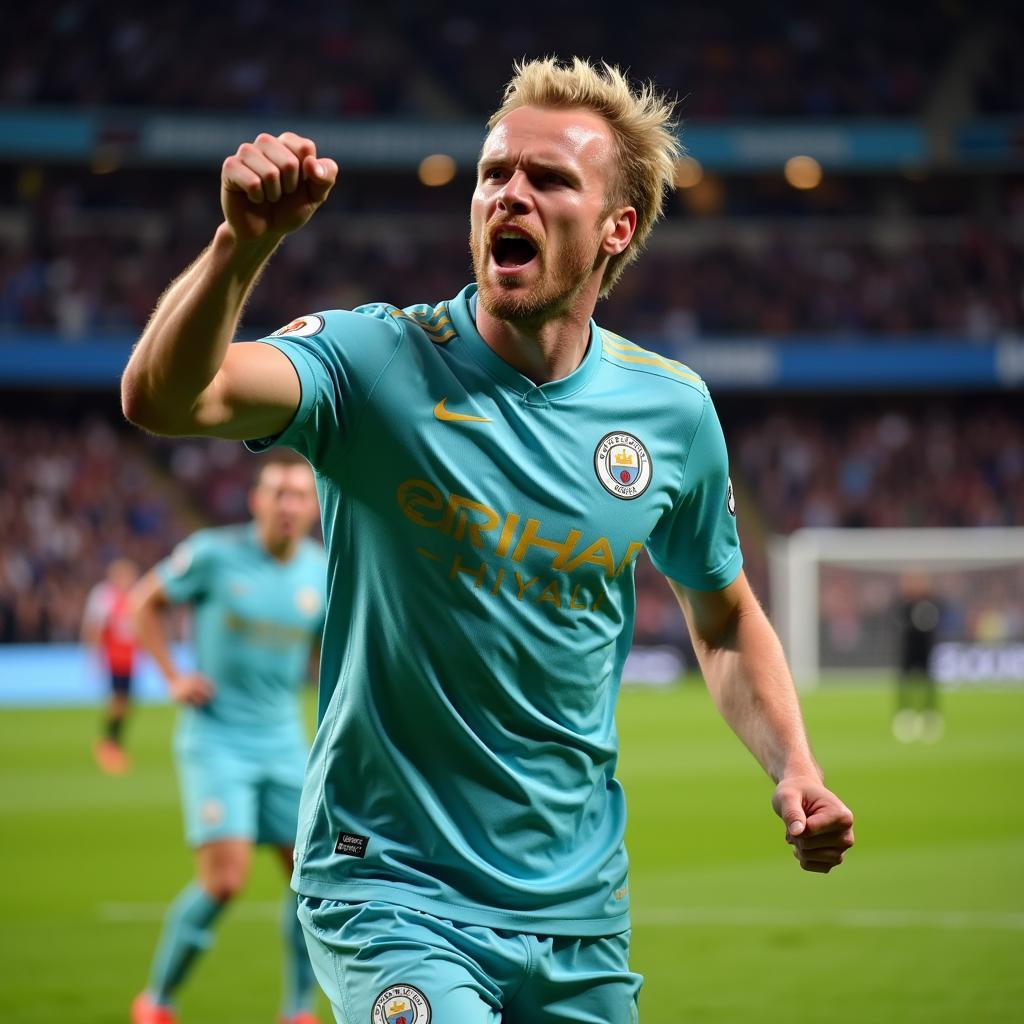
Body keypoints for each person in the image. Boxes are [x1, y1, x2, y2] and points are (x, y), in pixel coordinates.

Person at [122, 57, 855, 1024]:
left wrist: (795, 767)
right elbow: (169, 397)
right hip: (391, 891)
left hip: (579, 912)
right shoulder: (373, 361)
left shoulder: (672, 415)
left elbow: (720, 619)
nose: (510, 193)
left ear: (614, 230)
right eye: (495, 172)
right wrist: (238, 248)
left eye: (550, 180)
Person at [129, 452, 327, 1024]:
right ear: (256, 501)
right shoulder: (215, 556)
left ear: (313, 508)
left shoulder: (319, 571)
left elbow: (330, 653)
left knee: (307, 880)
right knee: (225, 881)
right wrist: (172, 675)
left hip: (284, 744)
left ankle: (297, 1010)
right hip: (218, 742)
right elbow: (145, 603)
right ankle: (157, 1001)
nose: (289, 506)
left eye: (299, 496)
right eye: (278, 495)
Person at [81, 557, 140, 774]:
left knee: (126, 704)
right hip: (113, 660)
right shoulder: (104, 597)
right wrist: (94, 657)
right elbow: (94, 628)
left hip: (130, 660)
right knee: (118, 702)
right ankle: (109, 745)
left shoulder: (134, 597)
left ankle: (113, 744)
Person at [892, 572, 943, 742]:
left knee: (928, 683)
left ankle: (929, 714)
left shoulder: (930, 604)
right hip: (909, 651)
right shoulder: (904, 605)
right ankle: (905, 714)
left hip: (925, 651)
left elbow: (933, 626)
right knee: (906, 682)